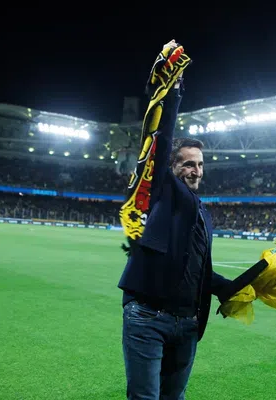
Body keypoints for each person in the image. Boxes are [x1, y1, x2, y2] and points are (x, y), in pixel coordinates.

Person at [117, 40, 235, 399]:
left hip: (187, 323)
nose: (195, 170)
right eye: (188, 163)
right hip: (147, 318)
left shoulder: (203, 214)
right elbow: (163, 138)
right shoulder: (163, 190)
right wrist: (173, 91)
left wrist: (252, 281)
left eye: (200, 164)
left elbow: (196, 271)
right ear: (172, 167)